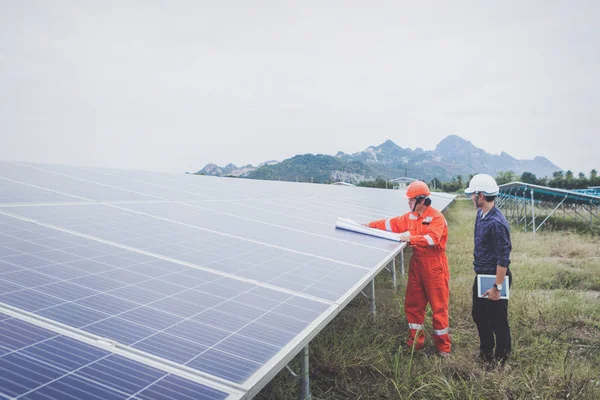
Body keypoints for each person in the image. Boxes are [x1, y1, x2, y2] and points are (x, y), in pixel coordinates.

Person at [367, 181, 450, 356]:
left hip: (434, 266)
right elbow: (389, 224)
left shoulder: (436, 218)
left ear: (421, 200)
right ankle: (415, 343)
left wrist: (411, 238)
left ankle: (443, 348)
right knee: (413, 305)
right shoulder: (410, 217)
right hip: (417, 264)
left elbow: (432, 239)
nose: (408, 203)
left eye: (411, 200)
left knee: (438, 307)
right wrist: (367, 226)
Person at [464, 174, 512, 364]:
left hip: (495, 278)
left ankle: (501, 359)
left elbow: (503, 259)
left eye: (472, 195)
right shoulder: (481, 215)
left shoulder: (496, 222)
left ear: (481, 196)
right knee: (479, 315)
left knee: (498, 321)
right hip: (482, 275)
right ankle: (486, 352)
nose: (471, 198)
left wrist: (497, 287)